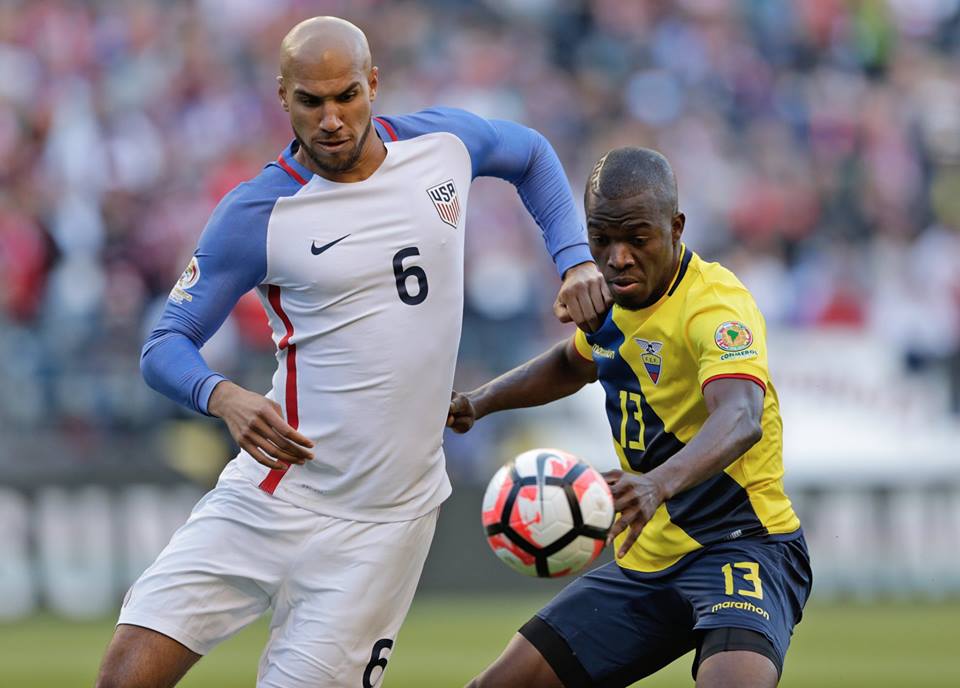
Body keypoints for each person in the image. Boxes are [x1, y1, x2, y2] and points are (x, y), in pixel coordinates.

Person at [94, 16, 609, 688]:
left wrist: (573, 261)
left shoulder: (442, 146)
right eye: (311, 101)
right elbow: (163, 346)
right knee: (123, 677)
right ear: (283, 98)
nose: (331, 118)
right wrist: (225, 397)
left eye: (346, 96)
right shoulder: (258, 214)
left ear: (373, 84)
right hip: (272, 495)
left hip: (384, 527)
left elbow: (533, 154)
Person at [447, 147, 812, 688]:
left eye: (637, 239)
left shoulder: (715, 305)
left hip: (743, 544)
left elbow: (740, 417)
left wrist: (656, 485)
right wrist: (478, 402)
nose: (617, 258)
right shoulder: (612, 301)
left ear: (676, 227)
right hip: (647, 561)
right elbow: (572, 363)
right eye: (601, 240)